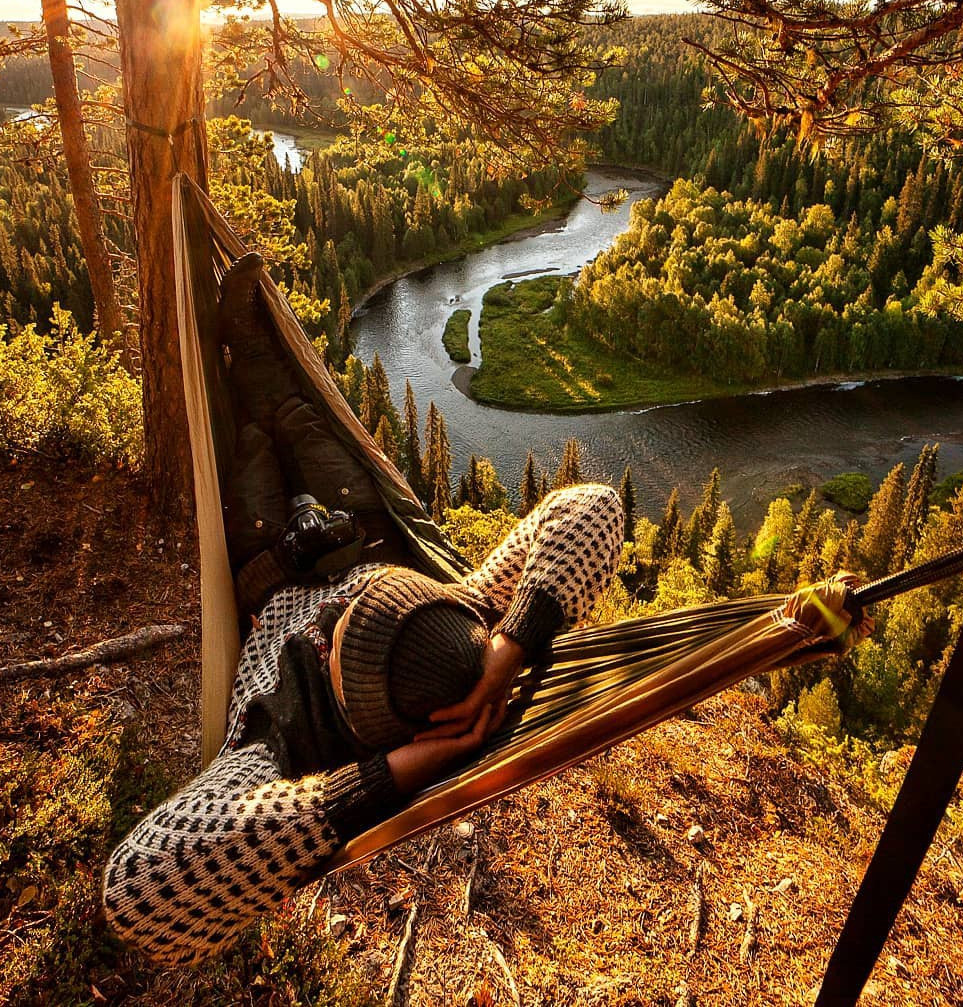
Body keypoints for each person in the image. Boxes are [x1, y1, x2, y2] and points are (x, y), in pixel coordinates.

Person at [103, 255, 626, 965]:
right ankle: (254, 345)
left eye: (338, 636)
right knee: (296, 417)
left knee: (251, 441)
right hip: (362, 530)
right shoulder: (469, 617)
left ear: (353, 707)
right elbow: (594, 506)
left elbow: (136, 889)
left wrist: (390, 774)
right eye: (355, 610)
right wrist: (511, 644)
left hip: (270, 568)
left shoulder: (277, 752)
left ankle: (236, 368)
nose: (334, 614)